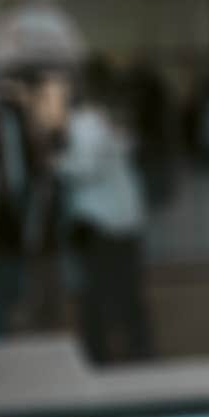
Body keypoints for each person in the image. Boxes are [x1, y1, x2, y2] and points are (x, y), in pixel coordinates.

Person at [54, 62, 153, 364]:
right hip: (125, 218)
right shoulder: (110, 119)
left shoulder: (85, 122)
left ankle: (100, 355)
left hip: (100, 221)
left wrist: (54, 164)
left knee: (96, 294)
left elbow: (85, 168)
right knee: (127, 292)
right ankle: (139, 352)